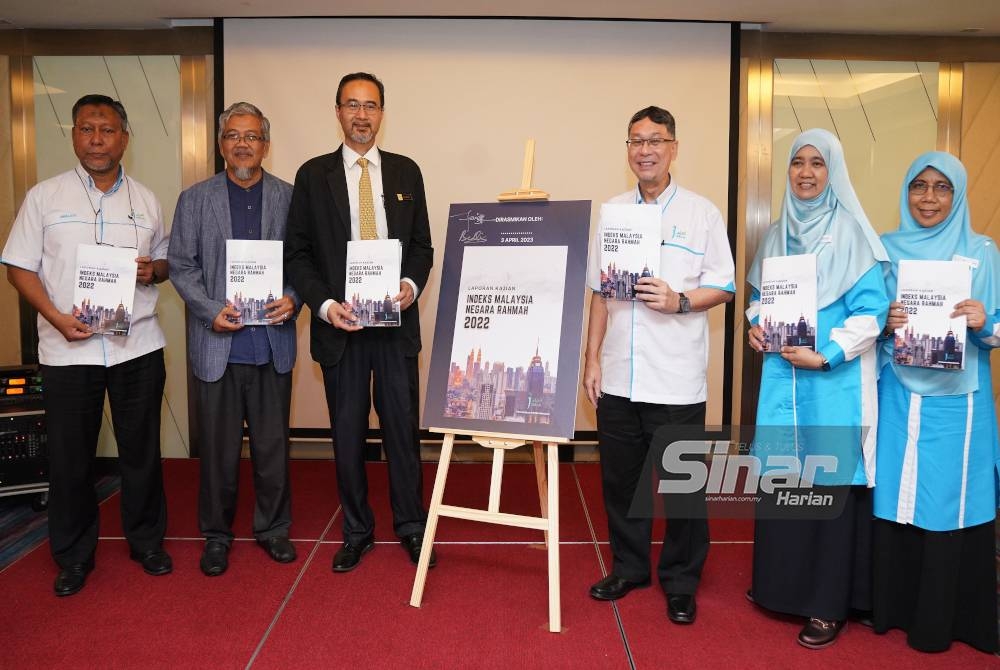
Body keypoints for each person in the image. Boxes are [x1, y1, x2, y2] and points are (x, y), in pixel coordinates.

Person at [2, 94, 172, 596]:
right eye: (86, 129)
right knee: (70, 457)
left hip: (136, 345)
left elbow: (163, 263)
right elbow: (18, 266)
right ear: (74, 135)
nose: (96, 139)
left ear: (125, 138)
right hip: (67, 349)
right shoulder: (44, 197)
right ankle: (73, 555)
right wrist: (54, 317)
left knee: (141, 451)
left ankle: (147, 543)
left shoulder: (146, 200)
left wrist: (151, 270)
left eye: (107, 130)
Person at [582, 106, 735, 624]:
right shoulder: (613, 213)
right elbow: (600, 294)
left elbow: (725, 285)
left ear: (674, 148)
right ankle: (629, 567)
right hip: (620, 373)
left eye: (655, 140)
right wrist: (591, 359)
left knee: (683, 487)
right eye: (635, 141)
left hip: (675, 376)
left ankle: (681, 580)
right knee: (620, 482)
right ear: (627, 149)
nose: (644, 150)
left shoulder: (701, 213)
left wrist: (681, 301)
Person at [284, 72, 435, 572]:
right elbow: (299, 254)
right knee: (346, 437)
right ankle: (357, 531)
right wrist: (326, 306)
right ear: (338, 112)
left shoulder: (406, 172)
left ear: (382, 113)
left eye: (370, 105)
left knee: (402, 435)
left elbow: (421, 248)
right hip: (341, 330)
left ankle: (411, 527)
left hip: (395, 331)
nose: (362, 115)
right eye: (352, 104)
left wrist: (410, 288)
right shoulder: (312, 175)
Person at [746, 128, 889, 648]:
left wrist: (826, 355)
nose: (805, 172)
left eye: (817, 163)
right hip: (783, 378)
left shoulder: (852, 234)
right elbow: (761, 300)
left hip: (834, 382)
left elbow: (873, 313)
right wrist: (756, 325)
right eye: (797, 162)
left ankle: (828, 606)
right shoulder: (776, 234)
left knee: (829, 485)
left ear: (833, 172)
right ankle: (779, 588)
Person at [872, 152, 1000, 654]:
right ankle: (892, 609)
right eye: (918, 186)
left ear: (958, 194)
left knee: (948, 504)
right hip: (898, 394)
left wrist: (983, 320)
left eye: (942, 188)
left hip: (958, 404)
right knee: (896, 499)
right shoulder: (884, 248)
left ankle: (940, 620)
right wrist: (885, 323)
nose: (928, 198)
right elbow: (867, 321)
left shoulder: (983, 251)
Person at [168, 102, 298, 576]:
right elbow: (181, 265)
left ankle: (273, 529)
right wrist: (208, 310)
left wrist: (293, 297)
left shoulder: (289, 196)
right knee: (218, 452)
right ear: (221, 144)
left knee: (272, 447)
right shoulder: (194, 199)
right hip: (217, 346)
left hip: (271, 344)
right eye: (233, 136)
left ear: (266, 144)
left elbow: (305, 261)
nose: (242, 144)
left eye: (252, 136)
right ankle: (217, 536)